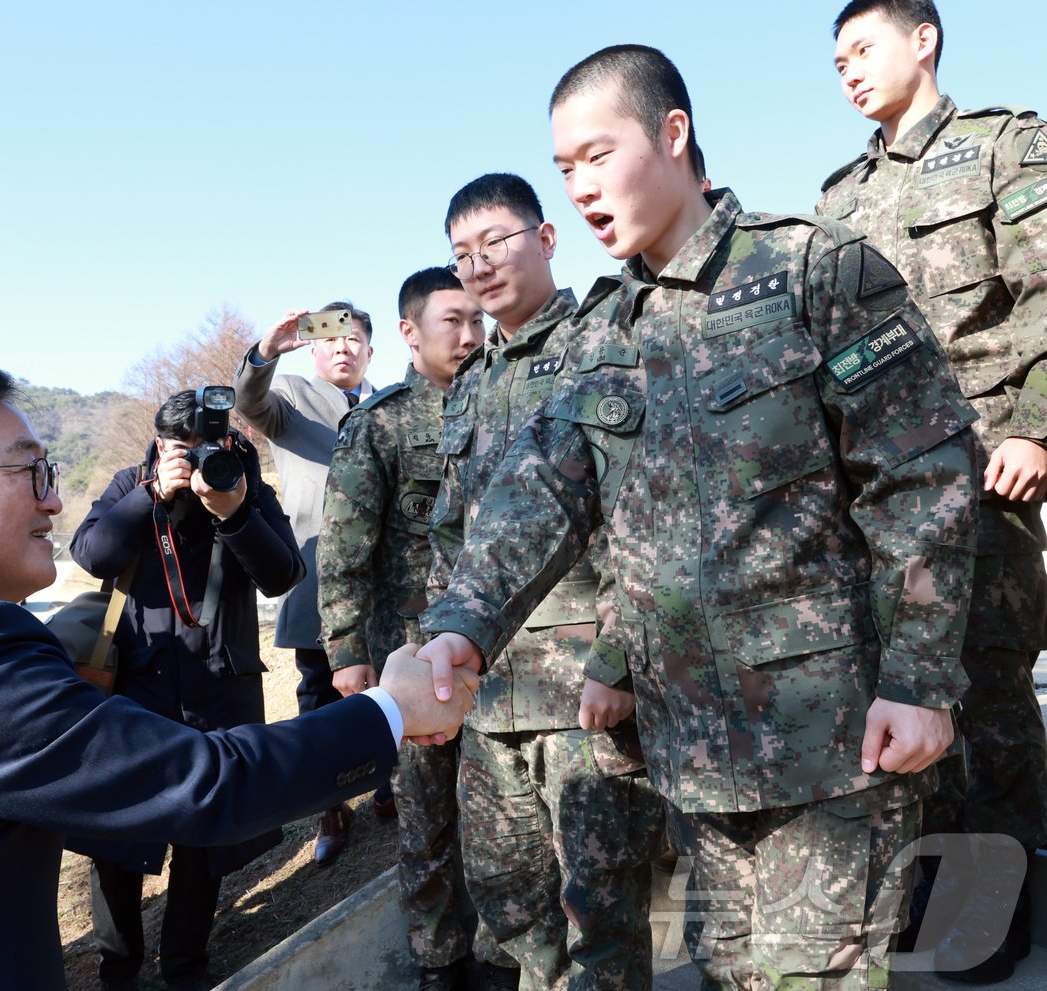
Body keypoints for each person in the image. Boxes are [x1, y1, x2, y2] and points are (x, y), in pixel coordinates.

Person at [417, 45, 980, 990]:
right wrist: (461, 624)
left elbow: (921, 475)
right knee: (728, 975)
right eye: (565, 170)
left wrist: (922, 674)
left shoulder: (814, 270)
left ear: (673, 132)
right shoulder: (603, 337)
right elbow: (542, 490)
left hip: (830, 749)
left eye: (598, 155)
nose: (583, 188)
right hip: (690, 761)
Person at [0, 366, 476, 991]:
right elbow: (210, 784)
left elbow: (281, 569)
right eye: (29, 469)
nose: (52, 495)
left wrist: (234, 510)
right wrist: (391, 710)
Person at [817, 2, 1047, 980]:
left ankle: (994, 909)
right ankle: (948, 891)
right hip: (883, 497)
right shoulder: (834, 203)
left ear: (923, 39)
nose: (847, 72)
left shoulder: (1003, 147)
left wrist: (1038, 422)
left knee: (987, 691)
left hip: (984, 471)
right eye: (834, 61)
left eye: (860, 48)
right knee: (910, 693)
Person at [429, 173, 665, 991]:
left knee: (603, 910)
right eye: (462, 255)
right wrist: (436, 658)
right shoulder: (469, 386)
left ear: (546, 238)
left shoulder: (608, 340)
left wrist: (623, 655)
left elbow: (646, 509)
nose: (479, 265)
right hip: (490, 699)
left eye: (495, 242)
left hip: (585, 693)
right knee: (510, 901)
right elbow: (449, 540)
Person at [69, 389, 305, 991]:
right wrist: (151, 495)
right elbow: (92, 554)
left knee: (205, 837)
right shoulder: (132, 481)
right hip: (134, 685)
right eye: (183, 450)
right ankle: (119, 969)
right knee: (117, 836)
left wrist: (235, 510)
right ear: (159, 445)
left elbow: (282, 575)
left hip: (221, 687)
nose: (199, 459)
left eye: (209, 446)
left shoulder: (242, 482)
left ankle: (185, 966)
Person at [318, 267, 491, 991]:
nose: (471, 333)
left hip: (497, 652)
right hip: (413, 659)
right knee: (426, 819)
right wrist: (348, 652)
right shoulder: (381, 422)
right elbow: (344, 545)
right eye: (453, 319)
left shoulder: (503, 401)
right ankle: (437, 960)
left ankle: (500, 953)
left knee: (501, 816)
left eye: (478, 318)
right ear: (410, 331)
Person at [233, 301, 375, 865]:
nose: (344, 347)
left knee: (394, 676)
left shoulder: (391, 403)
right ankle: (331, 807)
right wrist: (266, 353)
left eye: (354, 337)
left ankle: (392, 784)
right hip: (319, 575)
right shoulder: (291, 398)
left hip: (388, 577)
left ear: (371, 348)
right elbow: (249, 401)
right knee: (319, 693)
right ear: (314, 348)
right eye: (331, 338)